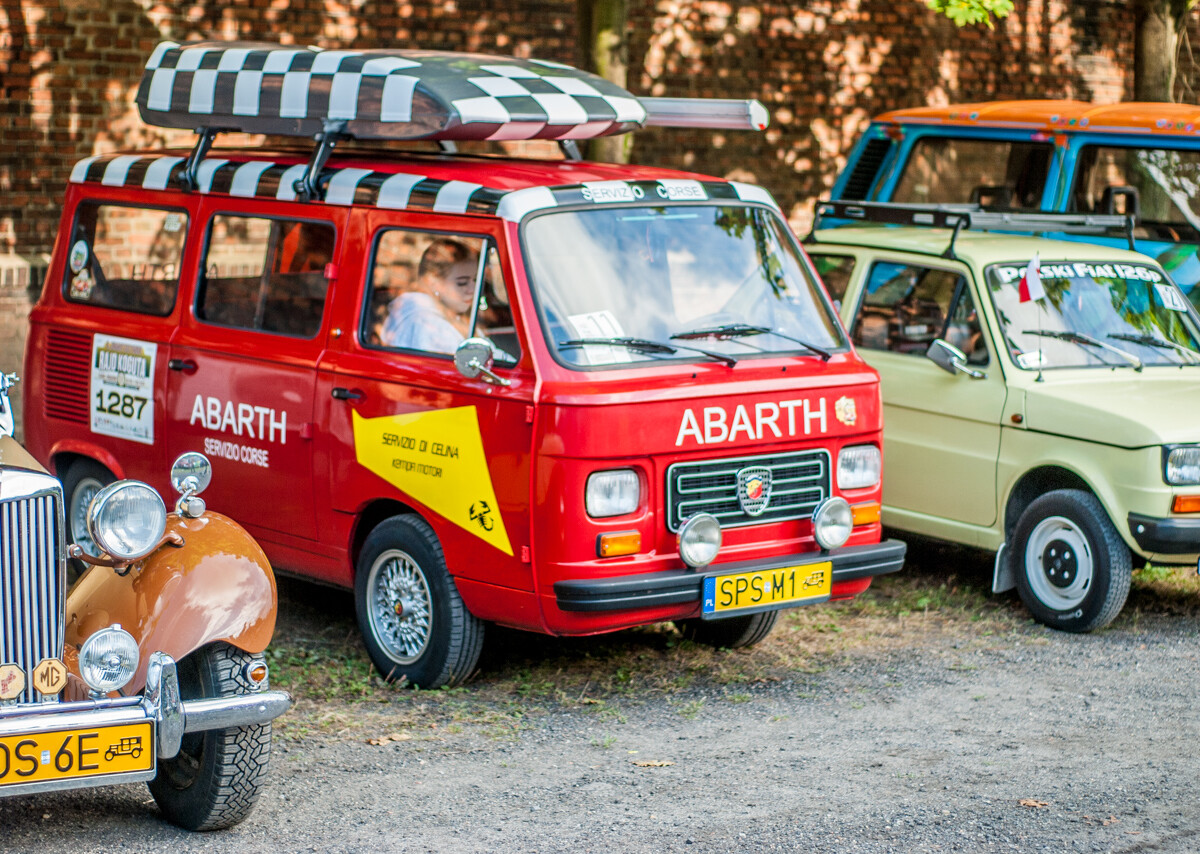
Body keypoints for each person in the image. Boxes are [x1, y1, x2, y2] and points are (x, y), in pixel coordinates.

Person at [381, 239, 478, 353]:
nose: (473, 289)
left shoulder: (446, 315)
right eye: (462, 283)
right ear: (433, 282)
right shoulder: (427, 326)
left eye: (475, 280)